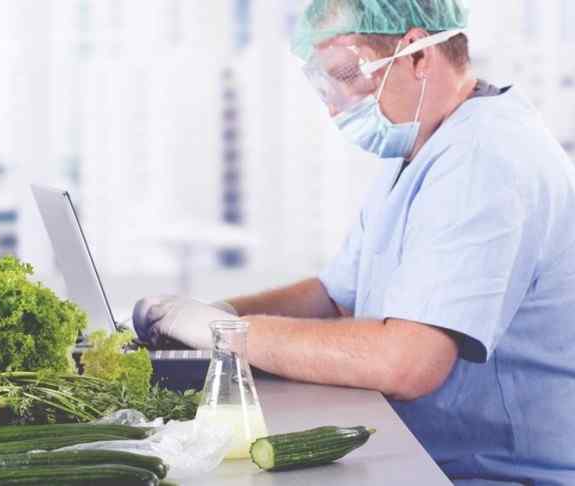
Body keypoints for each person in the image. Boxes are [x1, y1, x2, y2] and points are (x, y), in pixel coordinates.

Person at [132, 0, 575, 484]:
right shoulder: (422, 145)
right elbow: (335, 295)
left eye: (345, 74)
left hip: (492, 472)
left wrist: (224, 334)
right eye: (323, 83)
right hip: (422, 450)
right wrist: (213, 311)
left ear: (418, 55)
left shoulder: (483, 160)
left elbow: (408, 363)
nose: (333, 102)